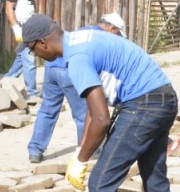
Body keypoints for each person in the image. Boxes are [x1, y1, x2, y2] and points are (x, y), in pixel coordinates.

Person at [22, 13, 180, 192]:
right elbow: (92, 115)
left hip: (142, 106)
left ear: (43, 42)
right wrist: (79, 153)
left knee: (100, 183)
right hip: (164, 97)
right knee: (155, 182)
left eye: (32, 49)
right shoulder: (83, 39)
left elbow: (102, 118)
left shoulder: (76, 57)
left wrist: (82, 161)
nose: (35, 55)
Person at [26, 14, 125, 164]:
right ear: (112, 29)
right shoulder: (97, 36)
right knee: (84, 113)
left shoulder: (82, 30)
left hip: (51, 68)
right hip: (68, 69)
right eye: (118, 34)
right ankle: (88, 150)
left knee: (47, 109)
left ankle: (35, 150)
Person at [3, 0, 38, 98]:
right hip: (22, 27)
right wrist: (16, 27)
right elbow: (8, 8)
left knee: (21, 58)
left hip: (29, 26)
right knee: (29, 59)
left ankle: (4, 83)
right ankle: (32, 93)